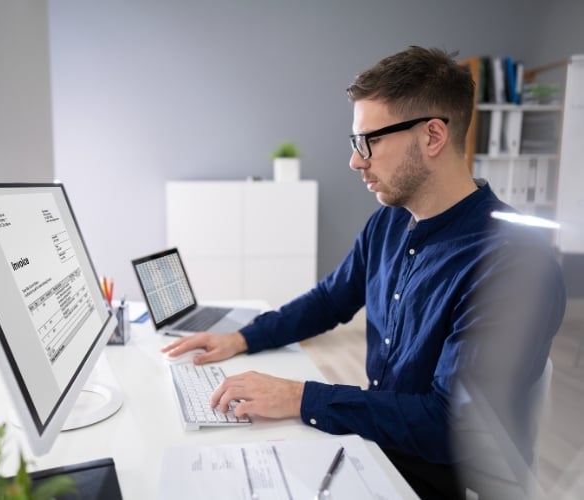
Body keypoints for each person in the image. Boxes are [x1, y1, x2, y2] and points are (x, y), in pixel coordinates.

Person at [161, 46, 566, 499]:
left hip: (425, 474)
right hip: (376, 440)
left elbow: (448, 426)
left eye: (369, 141)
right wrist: (242, 338)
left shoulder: (511, 263)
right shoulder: (391, 220)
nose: (356, 161)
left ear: (432, 136)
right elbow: (332, 298)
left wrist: (301, 397)